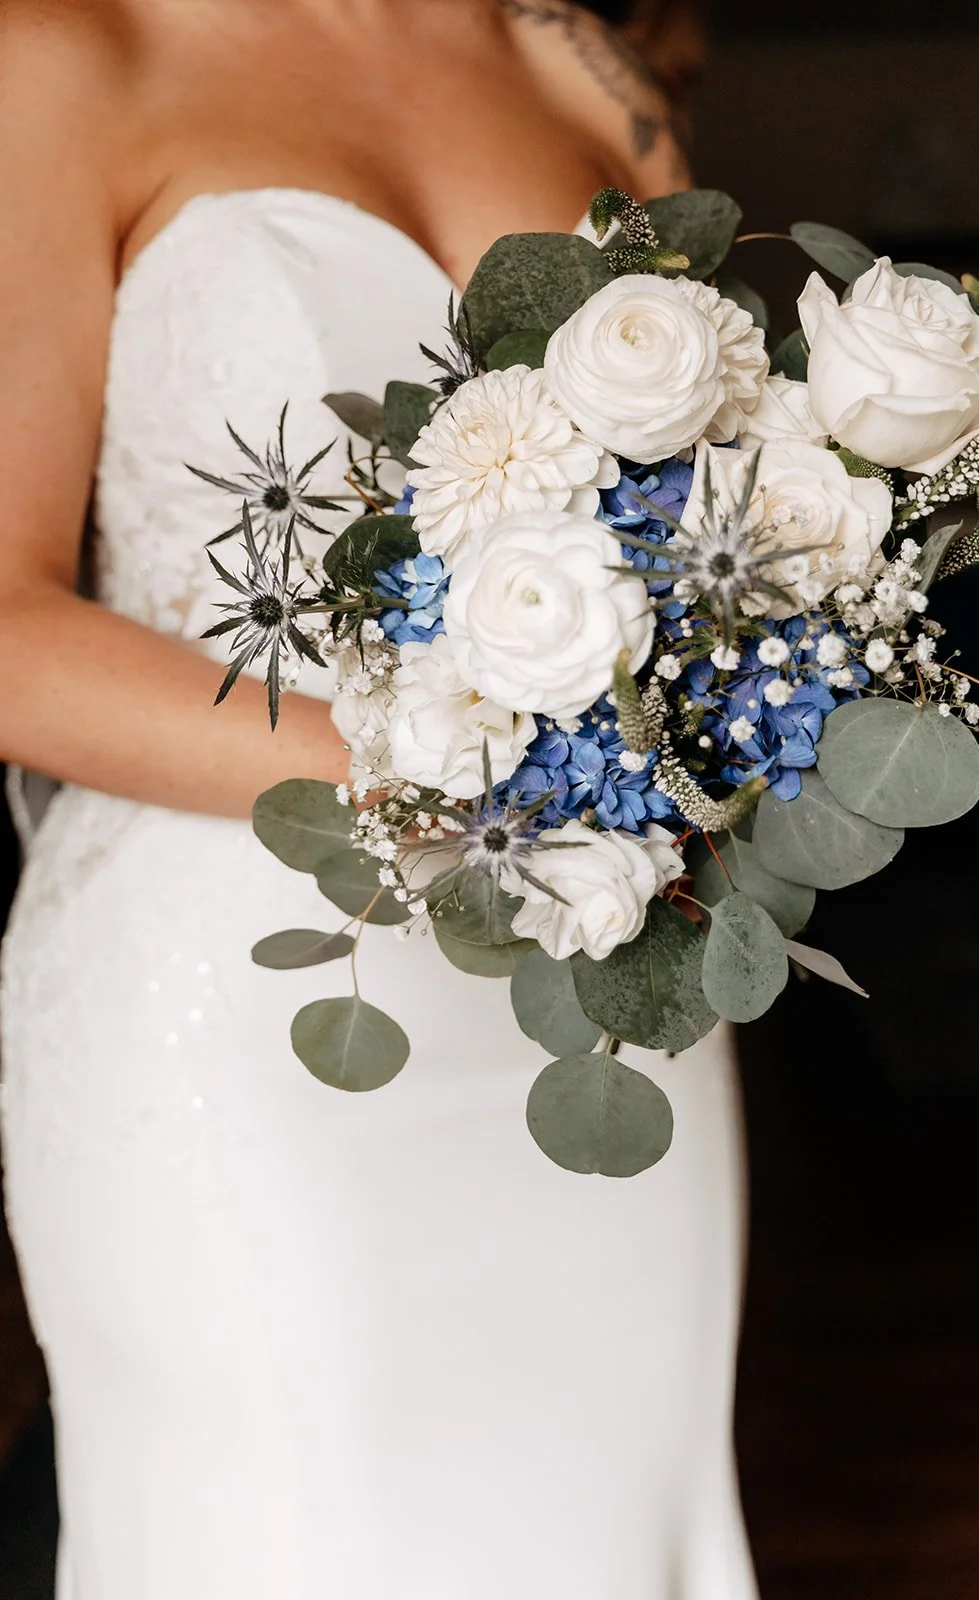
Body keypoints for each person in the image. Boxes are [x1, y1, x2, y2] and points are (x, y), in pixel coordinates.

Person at [0, 2, 758, 1595]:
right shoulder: (65, 56)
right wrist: (461, 770)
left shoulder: (586, 75)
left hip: (599, 994)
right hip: (243, 1000)